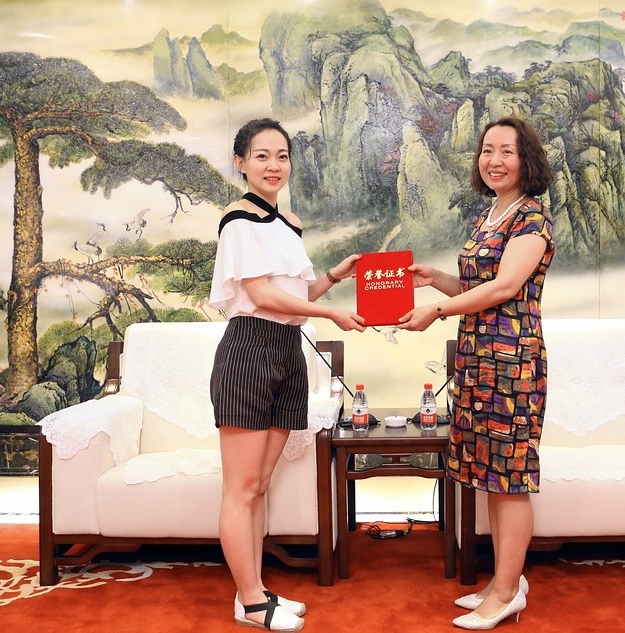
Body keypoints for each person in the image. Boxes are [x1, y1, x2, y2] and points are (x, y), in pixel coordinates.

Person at [209, 118, 366, 631]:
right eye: (261, 156)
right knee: (242, 488)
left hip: (287, 351)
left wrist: (334, 277)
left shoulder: (288, 223)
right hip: (249, 352)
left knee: (260, 486)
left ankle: (251, 592)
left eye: (282, 156)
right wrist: (332, 315)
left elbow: (294, 297)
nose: (274, 165)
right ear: (241, 163)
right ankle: (252, 600)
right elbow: (261, 297)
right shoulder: (238, 219)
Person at [398, 116, 555, 630]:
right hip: (478, 360)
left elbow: (505, 287)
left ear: (526, 159)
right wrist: (434, 279)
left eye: (507, 151)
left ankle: (507, 592)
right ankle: (503, 582)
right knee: (492, 474)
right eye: (488, 150)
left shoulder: (531, 217)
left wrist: (437, 311)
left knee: (510, 478)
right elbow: (476, 286)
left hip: (512, 364)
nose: (494, 160)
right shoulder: (491, 214)